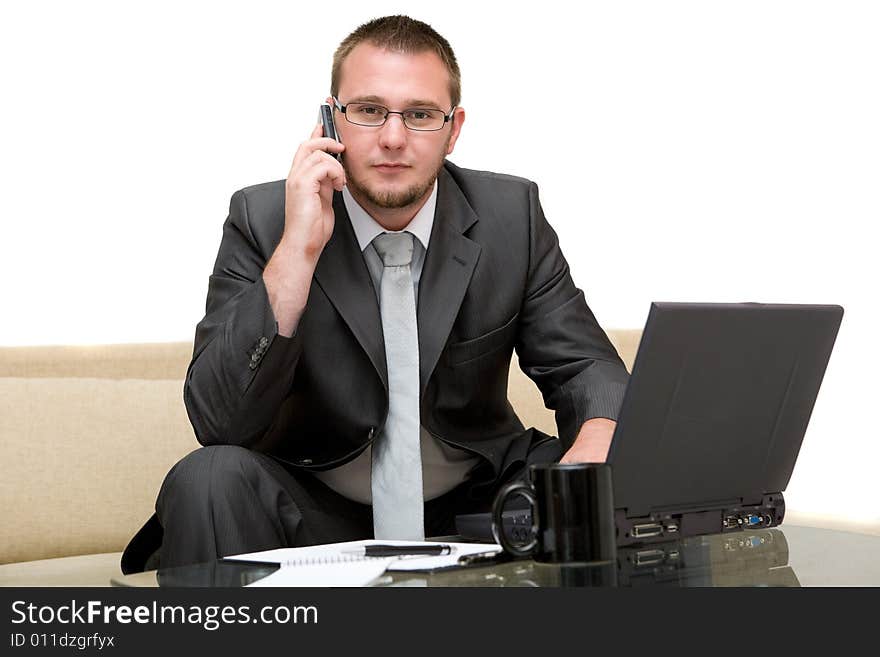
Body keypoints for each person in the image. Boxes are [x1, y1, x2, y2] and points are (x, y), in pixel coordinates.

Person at [121, 14, 630, 574]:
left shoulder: (511, 217)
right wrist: (297, 251)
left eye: (419, 115)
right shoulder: (264, 219)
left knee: (619, 471)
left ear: (453, 128)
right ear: (332, 121)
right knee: (208, 477)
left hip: (473, 501)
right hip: (320, 504)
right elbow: (219, 422)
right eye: (367, 111)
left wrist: (595, 446)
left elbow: (585, 366)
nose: (392, 137)